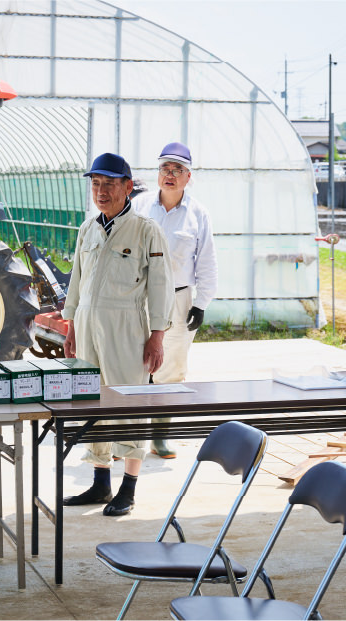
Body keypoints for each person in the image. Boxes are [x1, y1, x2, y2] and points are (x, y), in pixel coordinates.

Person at [61, 152, 174, 516]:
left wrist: (157, 334)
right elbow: (76, 282)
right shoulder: (87, 228)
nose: (101, 191)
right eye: (95, 184)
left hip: (127, 328)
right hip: (87, 325)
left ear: (127, 187)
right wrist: (71, 325)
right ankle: (99, 484)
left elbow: (161, 286)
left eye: (109, 184)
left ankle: (128, 488)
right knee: (89, 402)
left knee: (128, 404)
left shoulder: (145, 230)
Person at [133, 141, 217, 459]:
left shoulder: (197, 214)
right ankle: (125, 434)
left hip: (178, 299)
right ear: (158, 173)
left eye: (177, 170)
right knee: (132, 363)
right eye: (165, 168)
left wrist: (201, 303)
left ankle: (160, 435)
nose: (170, 174)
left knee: (171, 367)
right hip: (139, 297)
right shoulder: (140, 206)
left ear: (188, 176)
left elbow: (207, 261)